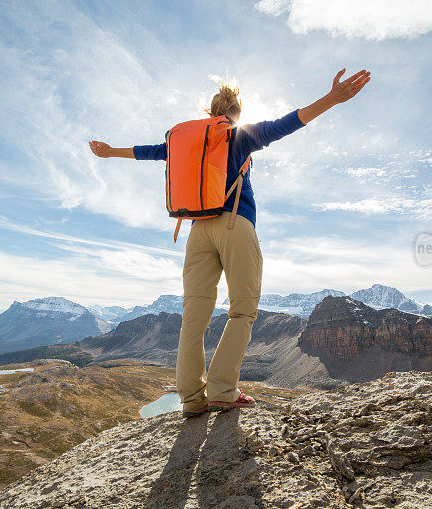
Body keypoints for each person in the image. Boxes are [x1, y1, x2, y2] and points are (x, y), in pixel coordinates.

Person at [90, 68, 371, 417]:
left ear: (210, 112)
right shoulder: (238, 136)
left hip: (197, 231)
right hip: (235, 223)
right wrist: (332, 99)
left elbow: (149, 151)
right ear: (237, 113)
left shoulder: (186, 142)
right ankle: (223, 390)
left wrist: (108, 152)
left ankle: (192, 399)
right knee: (242, 308)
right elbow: (286, 123)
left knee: (193, 316)